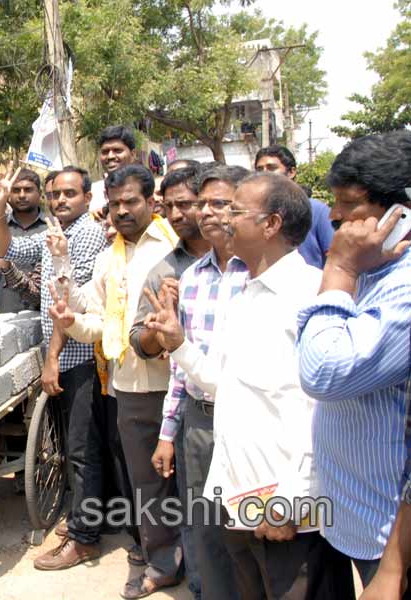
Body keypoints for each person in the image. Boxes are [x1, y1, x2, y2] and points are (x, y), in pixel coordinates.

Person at [145, 172, 354, 599]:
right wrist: (179, 344)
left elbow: (321, 411)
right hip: (241, 499)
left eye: (235, 211)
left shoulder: (308, 296)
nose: (222, 220)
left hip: (287, 510)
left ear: (271, 225)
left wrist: (290, 502)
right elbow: (225, 384)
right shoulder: (246, 296)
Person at [49, 164, 182, 597]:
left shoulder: (173, 247)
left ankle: (192, 564)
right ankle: (160, 562)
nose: (122, 210)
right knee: (145, 482)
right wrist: (70, 320)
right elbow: (100, 322)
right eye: (116, 204)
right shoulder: (111, 258)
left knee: (189, 481)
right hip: (127, 385)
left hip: (176, 382)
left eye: (131, 202)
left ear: (152, 202)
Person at [296, 130, 411, 592]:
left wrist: (338, 269)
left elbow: (322, 372)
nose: (335, 216)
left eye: (350, 204)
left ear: (401, 211)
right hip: (356, 519)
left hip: (391, 537)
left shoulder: (402, 290)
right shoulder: (373, 271)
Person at [0, 165, 108, 570]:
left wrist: (54, 358)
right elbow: (6, 251)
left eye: (69, 194)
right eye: (55, 194)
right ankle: (81, 519)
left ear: (88, 198)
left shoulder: (88, 235)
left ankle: (85, 538)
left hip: (78, 358)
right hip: (60, 354)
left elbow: (68, 305)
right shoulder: (54, 233)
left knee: (81, 450)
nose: (60, 200)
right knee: (75, 448)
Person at [145, 164, 249, 600]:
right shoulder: (190, 279)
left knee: (250, 528)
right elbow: (179, 365)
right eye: (202, 203)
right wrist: (169, 433)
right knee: (202, 527)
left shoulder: (265, 274)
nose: (207, 212)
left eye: (219, 203)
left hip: (249, 423)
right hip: (199, 424)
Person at [126, 164, 209, 598]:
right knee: (175, 499)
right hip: (179, 399)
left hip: (242, 404)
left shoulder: (247, 259)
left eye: (186, 204)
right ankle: (175, 569)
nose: (176, 213)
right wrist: (162, 330)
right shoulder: (165, 270)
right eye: (170, 205)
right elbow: (139, 340)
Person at [0, 153, 48, 311]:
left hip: (44, 317)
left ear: (40, 193)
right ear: (8, 194)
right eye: (16, 190)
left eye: (28, 190)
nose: (21, 195)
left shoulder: (51, 229)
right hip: (5, 316)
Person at [254, 144, 334, 268]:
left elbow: (335, 258)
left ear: (291, 172)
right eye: (259, 170)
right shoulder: (254, 213)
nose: (265, 174)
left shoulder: (317, 211)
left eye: (271, 168)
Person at [90, 125, 138, 213]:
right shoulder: (92, 192)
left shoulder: (143, 187)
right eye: (105, 152)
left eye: (117, 150)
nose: (110, 156)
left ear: (133, 155)